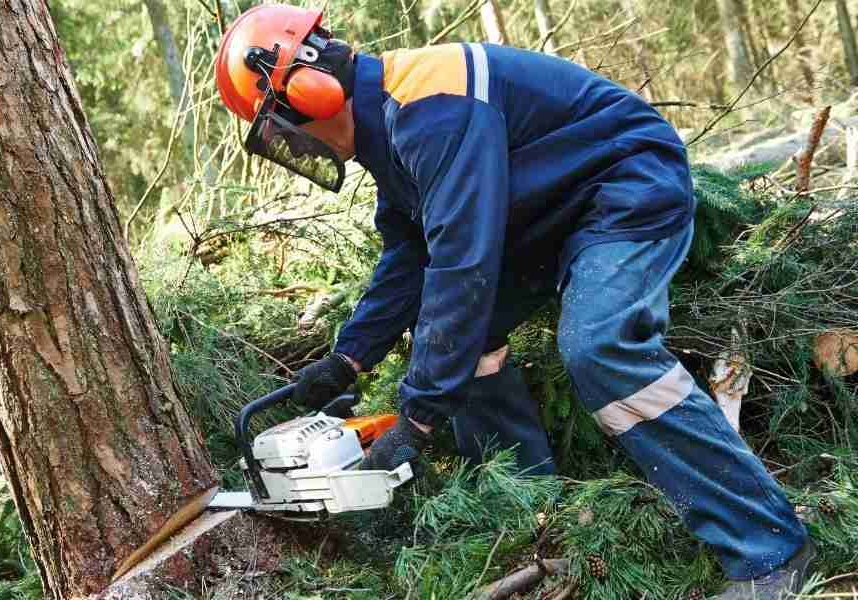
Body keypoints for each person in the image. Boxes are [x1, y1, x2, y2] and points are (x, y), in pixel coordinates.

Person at [213, 5, 813, 597]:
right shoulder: (388, 127)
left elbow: (462, 263)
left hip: (623, 187)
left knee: (600, 347)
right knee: (456, 340)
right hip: (540, 218)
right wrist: (348, 359)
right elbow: (410, 256)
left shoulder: (431, 107)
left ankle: (768, 548)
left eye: (281, 126)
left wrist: (417, 418)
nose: (292, 145)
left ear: (310, 90)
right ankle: (532, 516)